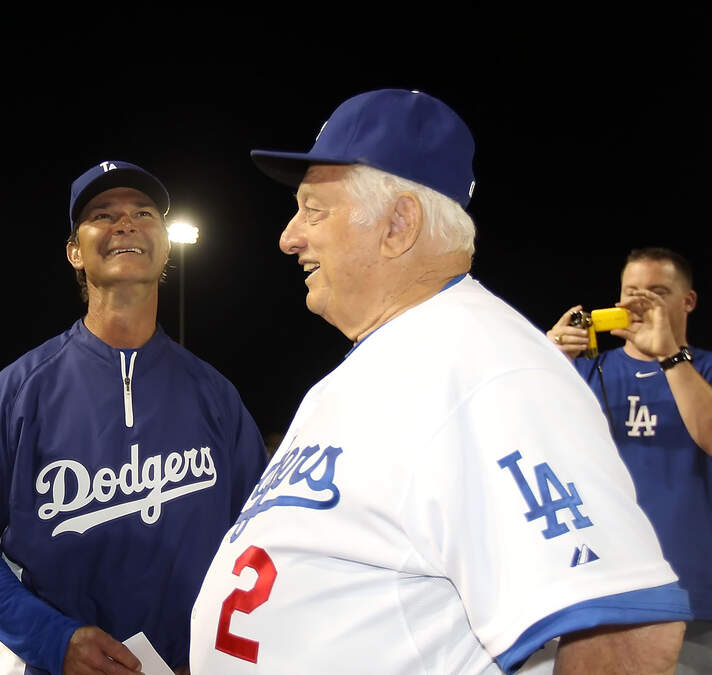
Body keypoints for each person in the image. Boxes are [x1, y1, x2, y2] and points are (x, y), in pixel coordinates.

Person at [188, 89, 691, 674]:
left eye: (313, 210)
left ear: (399, 224)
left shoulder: (493, 367)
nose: (289, 236)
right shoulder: (381, 362)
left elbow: (625, 631)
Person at [0, 161, 268, 674]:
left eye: (143, 212)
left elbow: (261, 544)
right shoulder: (15, 394)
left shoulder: (216, 398)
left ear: (166, 246)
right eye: (103, 215)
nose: (125, 223)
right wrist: (51, 639)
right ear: (75, 253)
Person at [546, 247, 712, 671]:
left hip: (695, 595)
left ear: (687, 301)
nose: (639, 304)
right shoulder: (583, 371)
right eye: (631, 292)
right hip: (600, 593)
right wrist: (542, 363)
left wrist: (671, 357)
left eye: (657, 293)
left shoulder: (705, 370)